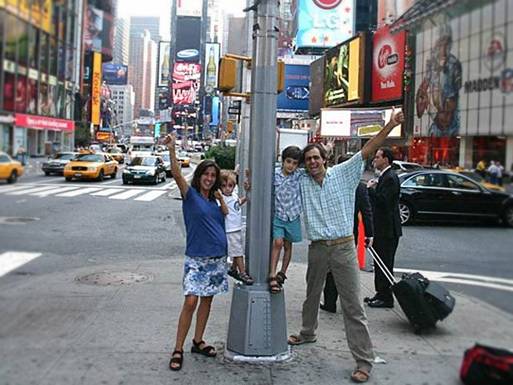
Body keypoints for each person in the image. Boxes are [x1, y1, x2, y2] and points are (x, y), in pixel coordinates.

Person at [288, 108, 404, 384]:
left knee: (353, 307)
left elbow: (370, 147)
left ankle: (363, 361)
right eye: (308, 159)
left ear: (325, 159)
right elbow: (280, 174)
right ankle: (307, 332)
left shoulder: (344, 173)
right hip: (318, 247)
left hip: (343, 247)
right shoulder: (302, 180)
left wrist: (389, 126)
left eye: (316, 158)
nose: (313, 162)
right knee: (311, 294)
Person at [164, 133, 229, 372]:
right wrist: (172, 150)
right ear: (199, 175)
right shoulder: (189, 196)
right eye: (206, 174)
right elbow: (177, 174)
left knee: (207, 300)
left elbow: (231, 213)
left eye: (213, 176)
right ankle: (178, 348)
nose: (209, 179)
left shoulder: (215, 201)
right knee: (191, 300)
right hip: (196, 258)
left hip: (217, 258)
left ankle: (198, 341)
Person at [320, 155, 375, 314]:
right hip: (347, 234)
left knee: (331, 269)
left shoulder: (330, 183)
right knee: (345, 269)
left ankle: (330, 302)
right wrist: (369, 234)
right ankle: (349, 303)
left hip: (332, 233)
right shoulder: (360, 186)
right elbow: (367, 212)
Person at [364, 148, 402, 309]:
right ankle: (380, 293)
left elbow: (384, 203)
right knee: (379, 263)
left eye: (378, 157)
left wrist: (370, 190)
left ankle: (386, 297)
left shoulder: (390, 178)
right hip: (382, 229)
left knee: (385, 264)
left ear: (386, 160)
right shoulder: (385, 176)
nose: (374, 159)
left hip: (388, 230)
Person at [269, 146, 303, 294]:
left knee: (288, 245)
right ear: (282, 161)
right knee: (278, 242)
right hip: (279, 215)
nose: (291, 166)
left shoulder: (299, 175)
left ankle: (282, 272)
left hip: (293, 215)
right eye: (288, 161)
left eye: (295, 163)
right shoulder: (275, 174)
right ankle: (272, 273)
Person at [220, 169, 254, 285]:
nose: (227, 188)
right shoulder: (221, 198)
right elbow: (224, 211)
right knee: (238, 252)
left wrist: (246, 197)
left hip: (236, 227)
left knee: (237, 249)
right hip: (230, 229)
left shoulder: (233, 195)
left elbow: (237, 203)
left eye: (230, 185)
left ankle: (234, 269)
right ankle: (242, 272)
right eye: (224, 186)